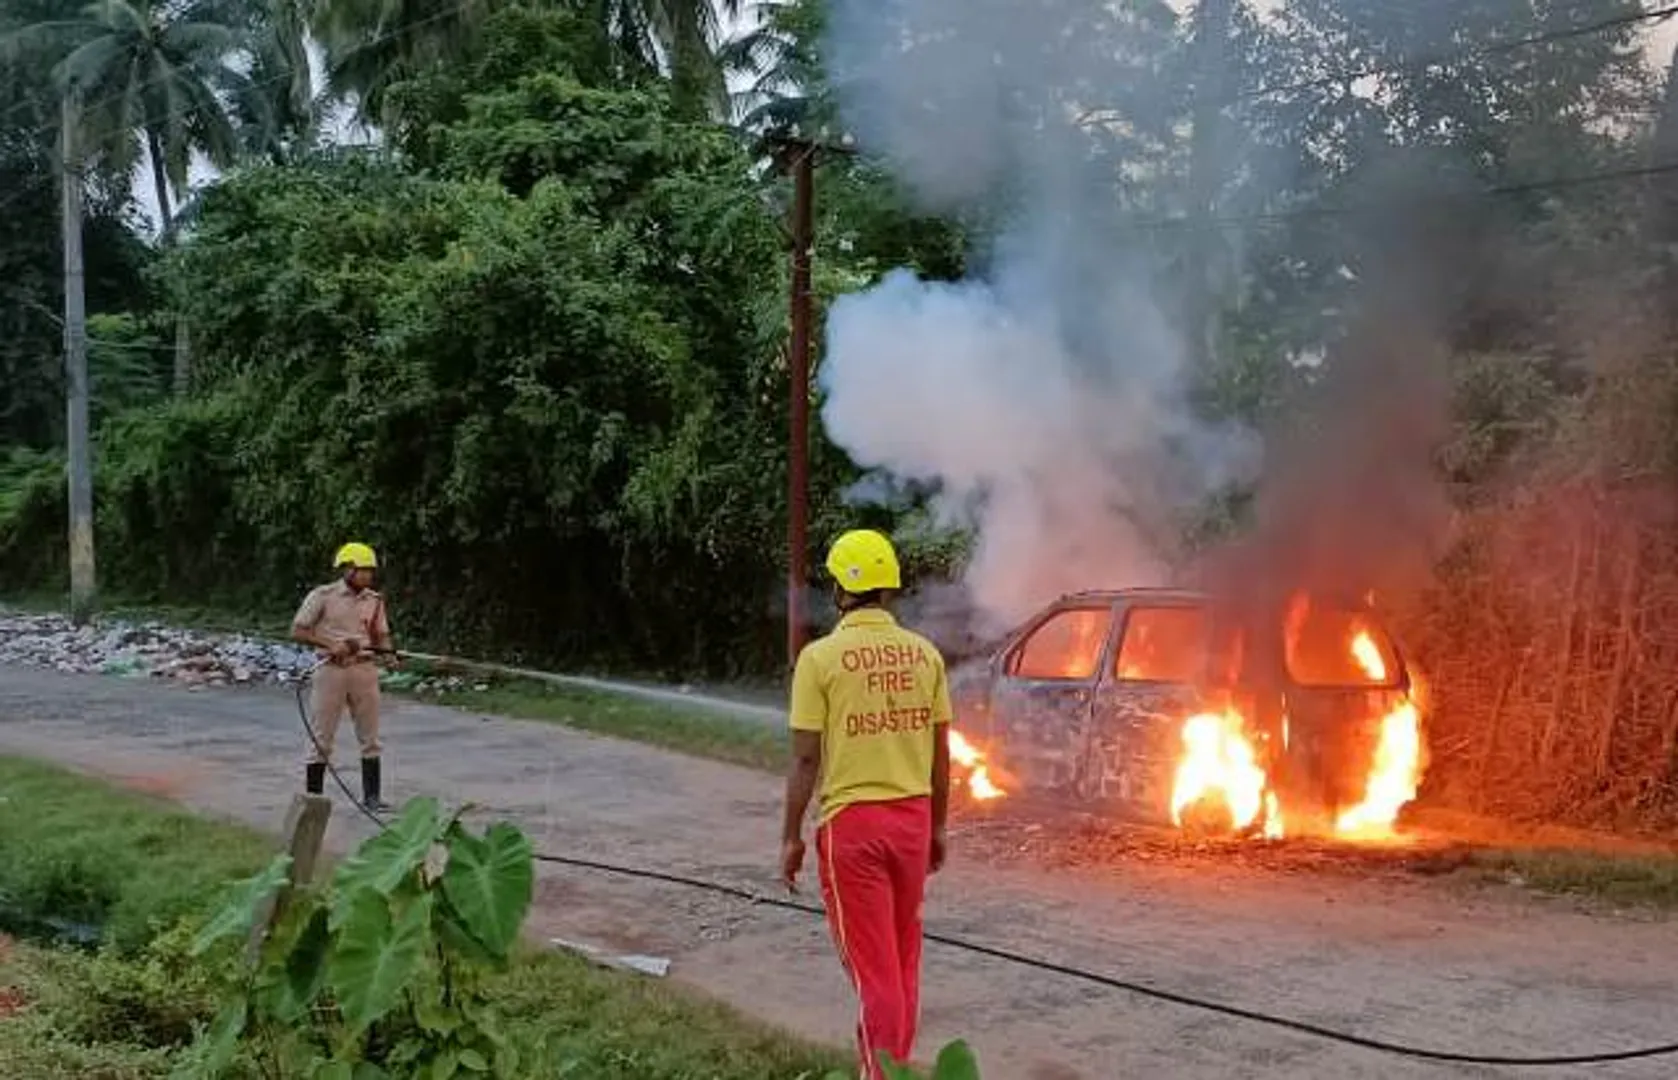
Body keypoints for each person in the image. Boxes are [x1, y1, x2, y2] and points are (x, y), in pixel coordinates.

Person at [780, 529, 952, 1080]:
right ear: (888, 590)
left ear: (840, 590)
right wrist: (939, 829)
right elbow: (940, 758)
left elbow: (806, 760)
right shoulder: (925, 655)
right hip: (913, 821)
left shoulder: (820, 659)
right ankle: (885, 1066)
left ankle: (879, 1075)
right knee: (902, 963)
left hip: (854, 829)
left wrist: (790, 836)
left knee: (873, 972)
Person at [292, 542, 396, 810]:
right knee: (322, 737)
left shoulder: (374, 601)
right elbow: (299, 630)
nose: (367, 576)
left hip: (364, 668)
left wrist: (389, 654)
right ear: (347, 570)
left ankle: (372, 797)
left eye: (370, 571)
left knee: (370, 737)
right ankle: (313, 798)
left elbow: (381, 634)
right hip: (331, 669)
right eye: (362, 571)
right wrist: (329, 644)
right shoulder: (323, 596)